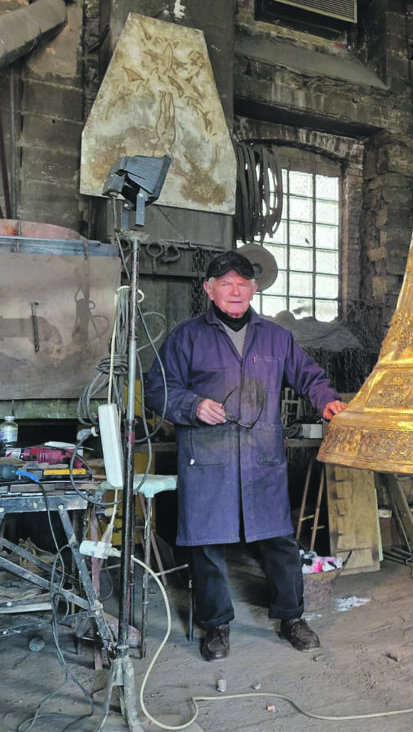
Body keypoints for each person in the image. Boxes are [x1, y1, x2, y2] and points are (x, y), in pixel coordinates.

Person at [144, 251, 346, 662]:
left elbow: (308, 375)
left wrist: (327, 401)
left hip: (261, 458)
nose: (235, 291)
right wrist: (193, 405)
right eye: (225, 283)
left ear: (254, 289)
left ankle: (291, 617)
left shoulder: (276, 337)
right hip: (208, 457)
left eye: (243, 283)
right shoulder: (186, 337)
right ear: (209, 289)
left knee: (278, 543)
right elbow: (157, 389)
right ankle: (215, 625)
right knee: (207, 546)